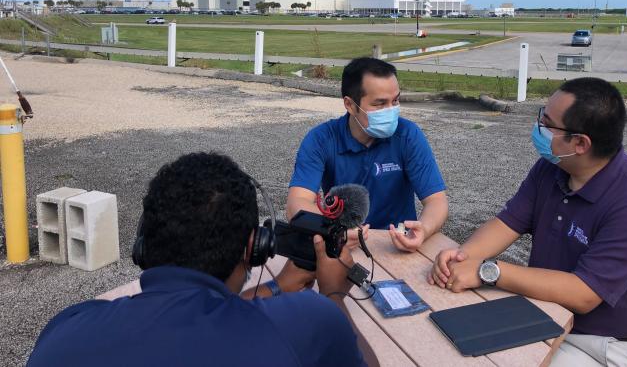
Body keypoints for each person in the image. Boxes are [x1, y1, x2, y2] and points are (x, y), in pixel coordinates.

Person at [28, 152, 377, 367]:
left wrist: (276, 286)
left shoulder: (66, 327)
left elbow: (189, 316)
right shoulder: (310, 321)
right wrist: (334, 295)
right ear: (255, 247)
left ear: (143, 245)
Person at [429, 78, 627, 367]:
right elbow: (508, 222)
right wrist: (463, 258)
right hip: (545, 315)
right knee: (447, 340)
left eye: (548, 122)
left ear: (580, 143)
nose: (538, 126)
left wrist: (489, 271)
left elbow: (583, 294)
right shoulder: (552, 167)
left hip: (606, 345)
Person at [287, 57, 448, 252]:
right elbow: (297, 205)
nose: (391, 111)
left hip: (396, 246)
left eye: (395, 100)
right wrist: (335, 231)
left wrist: (424, 229)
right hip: (343, 244)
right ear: (350, 104)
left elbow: (436, 201)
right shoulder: (321, 139)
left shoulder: (407, 135)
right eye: (380, 104)